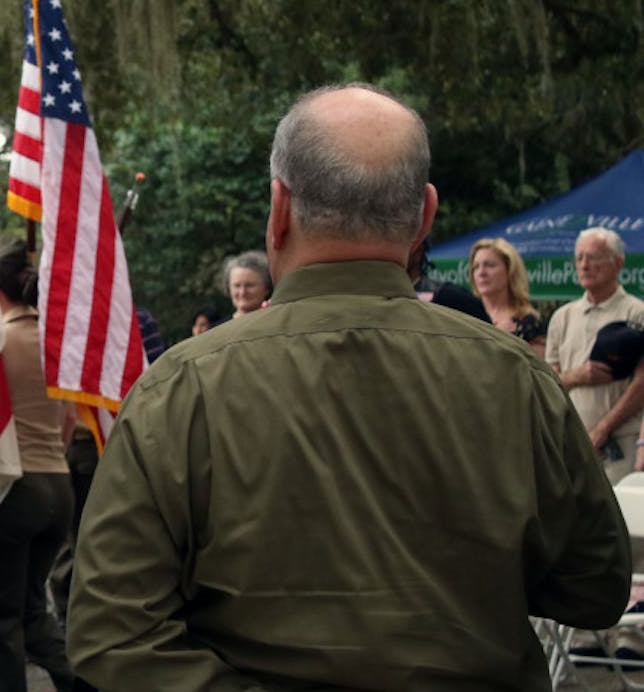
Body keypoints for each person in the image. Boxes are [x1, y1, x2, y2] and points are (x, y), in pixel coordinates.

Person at [68, 84, 631, 689]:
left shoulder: (180, 388)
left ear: (278, 208)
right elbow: (594, 590)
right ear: (426, 215)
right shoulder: (518, 379)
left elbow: (113, 632)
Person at [0, 240, 75, 692]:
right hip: (57, 481)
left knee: (0, 619)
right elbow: (70, 419)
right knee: (33, 611)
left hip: (14, 487)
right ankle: (83, 682)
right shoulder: (54, 344)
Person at [548, 227, 644, 482]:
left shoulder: (637, 313)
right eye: (579, 258)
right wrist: (577, 375)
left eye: (593, 257)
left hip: (623, 442)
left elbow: (642, 382)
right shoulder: (562, 317)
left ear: (618, 263)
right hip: (570, 442)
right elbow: (548, 381)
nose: (584, 265)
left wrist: (603, 429)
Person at [470, 236, 545, 354]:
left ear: (510, 270)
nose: (481, 272)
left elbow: (538, 370)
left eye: (489, 265)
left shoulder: (530, 323)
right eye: (476, 267)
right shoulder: (467, 316)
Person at [221, 250, 271, 318]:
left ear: (267, 288)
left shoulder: (280, 324)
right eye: (237, 285)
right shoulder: (218, 327)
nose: (242, 292)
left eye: (249, 285)